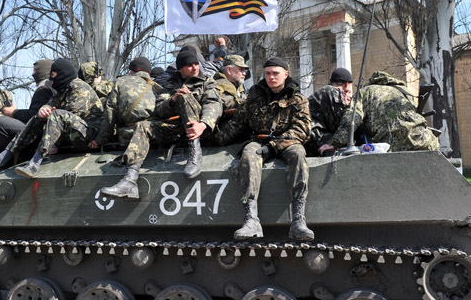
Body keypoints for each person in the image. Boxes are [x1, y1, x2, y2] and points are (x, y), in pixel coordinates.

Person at [100, 46, 222, 199]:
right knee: (143, 126)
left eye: (196, 64)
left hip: (200, 131)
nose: (194, 68)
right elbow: (159, 110)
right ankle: (130, 180)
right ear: (180, 69)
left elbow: (214, 104)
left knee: (186, 97)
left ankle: (195, 154)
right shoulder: (170, 85)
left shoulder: (207, 82)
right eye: (189, 65)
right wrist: (172, 100)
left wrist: (203, 124)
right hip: (176, 130)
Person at [216, 56, 313, 241]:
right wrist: (211, 135)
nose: (271, 77)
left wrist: (274, 147)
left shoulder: (297, 99)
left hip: (287, 142)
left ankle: (298, 220)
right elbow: (238, 124)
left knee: (299, 154)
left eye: (276, 73)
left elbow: (303, 129)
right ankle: (251, 219)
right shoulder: (255, 97)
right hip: (259, 141)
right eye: (268, 73)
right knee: (248, 152)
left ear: (286, 74)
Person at [0, 58, 104, 177]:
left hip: (89, 134)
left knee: (56, 114)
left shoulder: (81, 89)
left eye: (53, 75)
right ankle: (2, 157)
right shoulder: (63, 90)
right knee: (37, 117)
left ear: (63, 74)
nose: (51, 79)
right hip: (72, 131)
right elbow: (50, 105)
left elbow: (67, 118)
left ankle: (34, 163)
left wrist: (55, 143)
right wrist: (43, 109)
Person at [332, 71, 439, 152]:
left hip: (392, 146)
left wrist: (334, 143)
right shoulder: (403, 92)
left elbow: (351, 118)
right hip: (425, 141)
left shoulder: (365, 92)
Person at [88, 56, 162, 149]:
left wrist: (99, 141)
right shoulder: (157, 87)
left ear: (133, 71)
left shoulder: (121, 82)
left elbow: (110, 114)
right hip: (155, 137)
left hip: (130, 139)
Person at [307, 68, 353, 156]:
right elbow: (339, 122)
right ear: (347, 84)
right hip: (315, 137)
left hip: (313, 136)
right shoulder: (331, 91)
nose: (349, 96)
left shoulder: (325, 91)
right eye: (347, 92)